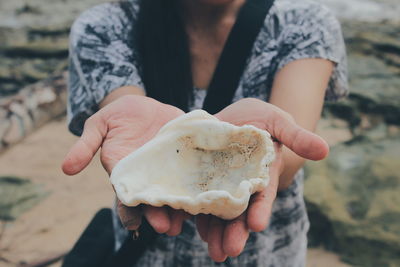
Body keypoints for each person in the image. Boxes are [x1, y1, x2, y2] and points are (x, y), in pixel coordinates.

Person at [62, 0, 348, 266]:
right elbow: (131, 139)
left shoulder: (303, 22)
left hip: (266, 254)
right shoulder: (105, 26)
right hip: (148, 254)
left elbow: (288, 161)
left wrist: (264, 150)